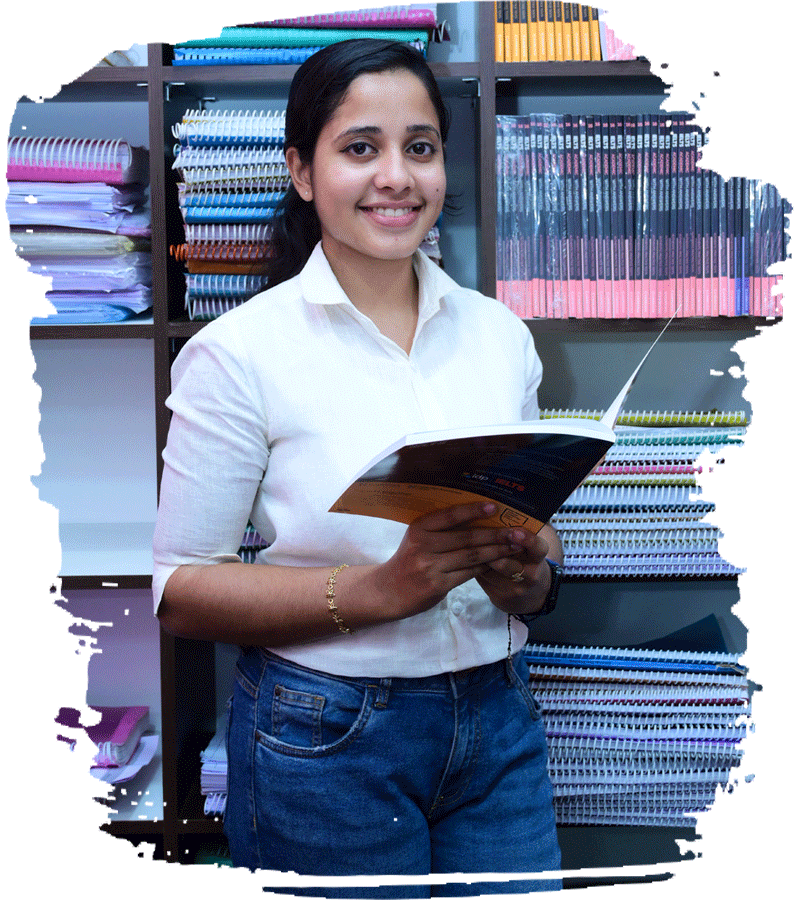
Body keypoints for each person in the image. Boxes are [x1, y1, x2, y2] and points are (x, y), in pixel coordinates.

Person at [153, 38, 563, 896]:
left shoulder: (499, 336)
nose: (396, 177)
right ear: (302, 172)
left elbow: (534, 541)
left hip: (498, 718)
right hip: (325, 735)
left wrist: (529, 575)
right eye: (360, 148)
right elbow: (182, 589)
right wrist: (380, 589)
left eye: (420, 147)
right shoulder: (238, 354)